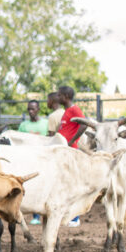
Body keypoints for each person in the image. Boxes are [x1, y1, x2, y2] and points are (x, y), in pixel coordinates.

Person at [51, 85, 87, 225]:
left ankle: (75, 218)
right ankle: (68, 216)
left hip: (70, 152)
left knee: (72, 185)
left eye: (59, 95)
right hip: (63, 151)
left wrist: (71, 141)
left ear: (66, 97)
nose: (57, 97)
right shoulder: (67, 111)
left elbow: (84, 124)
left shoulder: (74, 109)